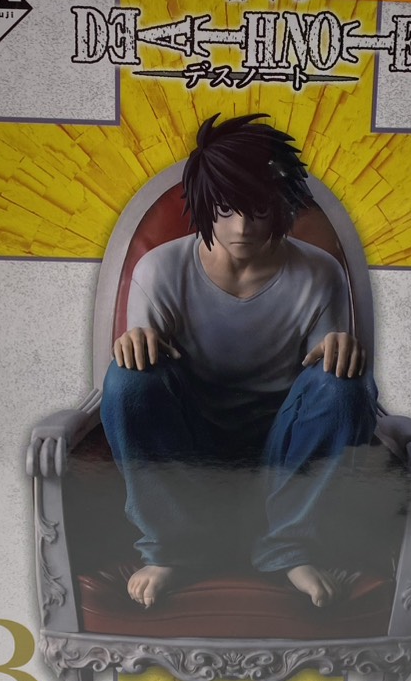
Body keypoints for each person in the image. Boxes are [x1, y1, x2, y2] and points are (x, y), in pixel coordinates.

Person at [100, 113, 379, 610]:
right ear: (205, 203)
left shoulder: (319, 272)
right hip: (192, 447)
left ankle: (289, 548)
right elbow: (144, 379)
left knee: (345, 383)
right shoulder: (161, 269)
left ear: (282, 205)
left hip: (283, 448)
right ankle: (172, 549)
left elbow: (327, 388)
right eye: (226, 210)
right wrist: (135, 341)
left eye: (258, 210)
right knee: (130, 379)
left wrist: (343, 350)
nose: (242, 228)